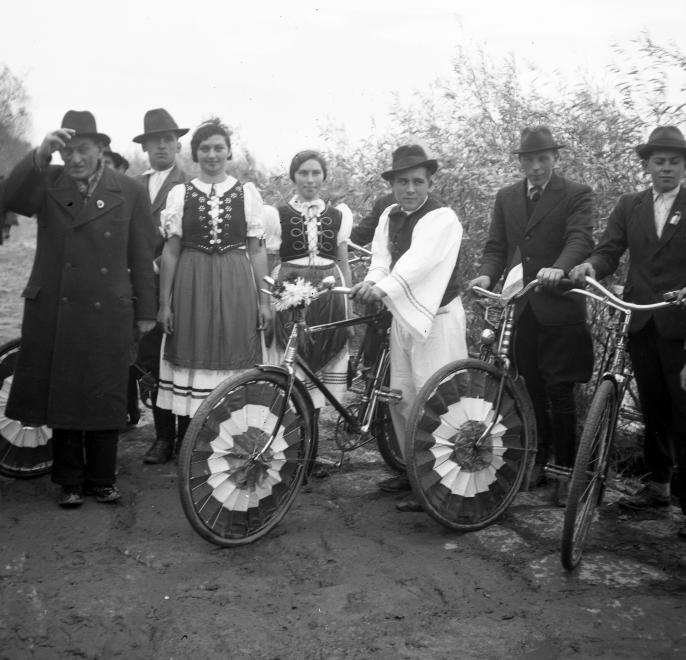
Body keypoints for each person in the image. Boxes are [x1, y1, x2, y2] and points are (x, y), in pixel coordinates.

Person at [2, 110, 156, 507]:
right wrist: (39, 154)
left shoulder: (130, 190)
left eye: (82, 150)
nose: (74, 159)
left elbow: (142, 254)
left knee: (104, 391)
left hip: (110, 306)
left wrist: (146, 311)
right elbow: (9, 197)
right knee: (65, 389)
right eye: (66, 151)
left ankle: (102, 479)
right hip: (57, 304)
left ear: (101, 149)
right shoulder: (48, 181)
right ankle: (69, 480)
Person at [570, 125, 686, 536]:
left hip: (681, 322)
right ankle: (657, 486)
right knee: (655, 405)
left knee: (683, 407)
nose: (666, 168)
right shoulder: (630, 205)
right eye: (659, 161)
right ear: (647, 165)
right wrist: (591, 267)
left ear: (683, 165)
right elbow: (609, 249)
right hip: (641, 317)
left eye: (674, 161)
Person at [469, 126, 594, 505]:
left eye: (543, 159)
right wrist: (488, 273)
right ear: (521, 162)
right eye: (529, 160)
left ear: (555, 159)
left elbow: (581, 238)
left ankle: (566, 471)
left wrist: (560, 267)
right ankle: (538, 460)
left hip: (559, 306)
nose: (536, 167)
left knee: (559, 389)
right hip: (520, 307)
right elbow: (498, 246)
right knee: (531, 387)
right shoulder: (507, 196)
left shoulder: (576, 194)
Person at [351, 144, 467, 512]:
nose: (411, 189)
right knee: (402, 395)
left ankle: (444, 481)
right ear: (394, 184)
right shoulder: (389, 214)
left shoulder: (442, 218)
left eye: (418, 181)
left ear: (429, 182)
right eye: (403, 182)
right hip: (403, 315)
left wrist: (381, 289)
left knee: (437, 398)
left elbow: (418, 263)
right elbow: (382, 259)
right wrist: (370, 282)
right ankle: (414, 470)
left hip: (438, 318)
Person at [156, 118, 271, 425]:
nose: (212, 154)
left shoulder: (247, 193)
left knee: (236, 342)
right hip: (191, 280)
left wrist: (265, 301)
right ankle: (191, 435)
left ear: (228, 151)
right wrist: (164, 303)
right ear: (195, 154)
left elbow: (257, 251)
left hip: (236, 279)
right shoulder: (180, 194)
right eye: (204, 148)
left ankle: (232, 428)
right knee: (192, 343)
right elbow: (170, 251)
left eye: (219, 148)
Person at [266, 150, 353, 410]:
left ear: (324, 177)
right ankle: (292, 426)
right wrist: (268, 306)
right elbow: (271, 264)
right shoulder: (277, 214)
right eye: (303, 173)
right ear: (293, 176)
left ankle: (312, 426)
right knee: (291, 352)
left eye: (316, 173)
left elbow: (344, 265)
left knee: (323, 348)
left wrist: (349, 309)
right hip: (291, 290)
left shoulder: (338, 216)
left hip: (329, 294)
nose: (310, 179)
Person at [132, 108, 190, 463]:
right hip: (141, 287)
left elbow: (190, 240)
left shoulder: (187, 185)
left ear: (178, 144)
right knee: (149, 361)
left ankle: (184, 437)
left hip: (178, 284)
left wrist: (156, 265)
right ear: (146, 148)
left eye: (168, 140)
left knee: (179, 360)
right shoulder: (135, 185)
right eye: (155, 142)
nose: (162, 147)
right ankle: (162, 437)